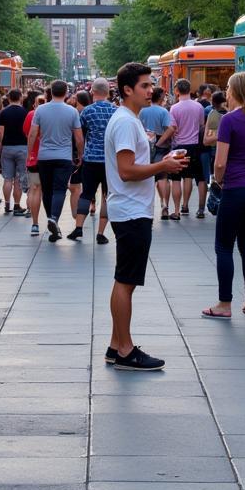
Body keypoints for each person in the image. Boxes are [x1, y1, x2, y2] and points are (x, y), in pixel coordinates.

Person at [105, 61, 188, 370]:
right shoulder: (126, 122)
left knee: (123, 279)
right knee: (126, 281)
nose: (150, 89)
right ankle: (125, 350)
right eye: (144, 85)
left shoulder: (129, 119)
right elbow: (126, 171)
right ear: (128, 89)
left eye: (151, 85)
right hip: (130, 210)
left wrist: (161, 160)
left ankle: (116, 345)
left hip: (129, 208)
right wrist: (162, 167)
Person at [201, 72, 245, 320]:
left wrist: (219, 181)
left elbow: (220, 163)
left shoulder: (229, 120)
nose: (226, 91)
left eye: (228, 87)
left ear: (236, 91)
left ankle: (224, 303)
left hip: (236, 187)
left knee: (223, 246)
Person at [29, 80, 84, 241]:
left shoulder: (40, 110)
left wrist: (30, 153)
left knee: (47, 190)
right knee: (59, 190)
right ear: (66, 92)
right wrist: (80, 154)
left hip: (44, 156)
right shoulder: (72, 112)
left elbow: (33, 134)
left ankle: (52, 219)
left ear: (51, 92)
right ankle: (54, 218)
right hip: (64, 157)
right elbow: (79, 138)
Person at [70, 78, 115, 243]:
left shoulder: (87, 111)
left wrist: (79, 154)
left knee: (86, 193)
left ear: (92, 92)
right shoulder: (115, 110)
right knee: (106, 196)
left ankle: (78, 228)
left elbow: (80, 135)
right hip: (110, 160)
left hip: (90, 159)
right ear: (108, 92)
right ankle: (101, 233)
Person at [170, 78, 205, 217]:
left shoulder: (174, 108)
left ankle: (177, 210)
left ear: (177, 90)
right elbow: (201, 125)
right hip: (194, 145)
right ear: (190, 90)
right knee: (189, 176)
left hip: (179, 146)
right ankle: (186, 205)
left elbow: (174, 128)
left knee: (176, 179)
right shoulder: (198, 107)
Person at [141, 87, 177, 220]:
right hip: (160, 146)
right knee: (163, 177)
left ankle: (147, 208)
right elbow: (170, 129)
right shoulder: (163, 111)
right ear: (160, 97)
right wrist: (160, 141)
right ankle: (164, 206)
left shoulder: (142, 110)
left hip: (145, 145)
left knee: (146, 176)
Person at [0, 89, 28, 216]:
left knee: (7, 179)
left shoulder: (3, 113)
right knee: (19, 178)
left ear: (8, 98)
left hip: (8, 148)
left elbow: (0, 132)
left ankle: (7, 204)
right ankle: (17, 205)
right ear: (20, 97)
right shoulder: (25, 112)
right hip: (22, 147)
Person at [70, 89, 93, 219]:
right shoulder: (89, 112)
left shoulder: (78, 113)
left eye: (74, 97)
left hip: (79, 153)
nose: (72, 99)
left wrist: (79, 153)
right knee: (88, 185)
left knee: (76, 186)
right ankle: (89, 206)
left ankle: (76, 215)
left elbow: (78, 137)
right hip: (90, 153)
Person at [23, 93, 43, 235]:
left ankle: (35, 223)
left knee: (34, 188)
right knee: (49, 191)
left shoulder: (31, 114)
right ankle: (52, 220)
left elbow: (27, 132)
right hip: (49, 158)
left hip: (34, 157)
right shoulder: (50, 114)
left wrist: (29, 153)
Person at [201, 89, 226, 186]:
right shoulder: (229, 113)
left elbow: (206, 139)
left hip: (214, 147)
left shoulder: (211, 113)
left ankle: (214, 180)